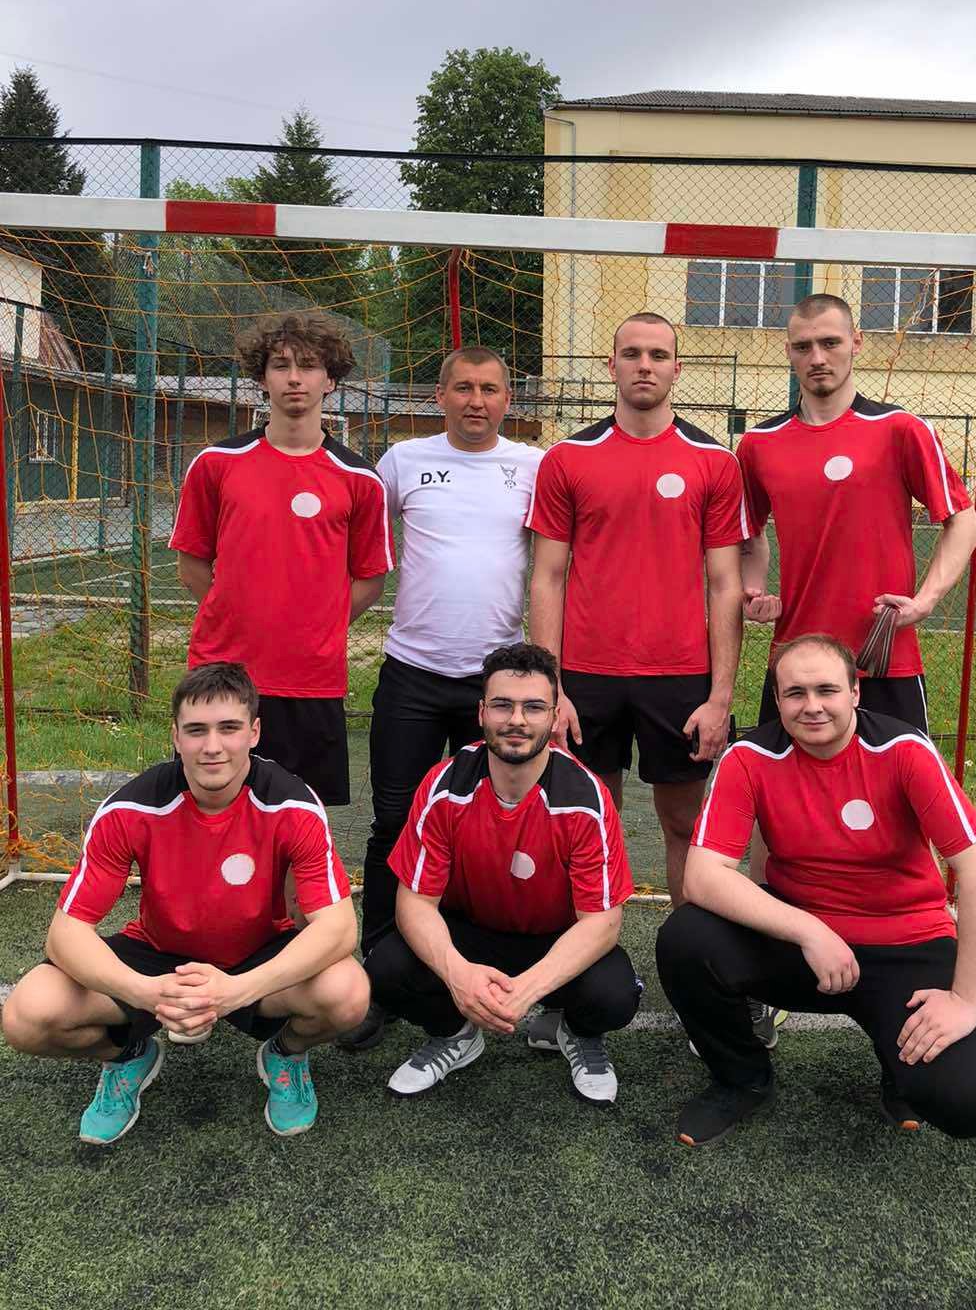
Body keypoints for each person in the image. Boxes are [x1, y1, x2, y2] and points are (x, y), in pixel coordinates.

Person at [656, 635, 976, 1148]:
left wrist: (964, 1000)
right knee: (686, 938)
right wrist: (809, 930)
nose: (812, 706)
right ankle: (741, 1079)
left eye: (826, 690)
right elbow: (703, 876)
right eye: (795, 693)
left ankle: (898, 1066)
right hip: (804, 947)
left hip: (907, 944)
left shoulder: (905, 750)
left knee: (969, 1101)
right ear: (777, 700)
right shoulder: (749, 757)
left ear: (855, 693)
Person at [0, 663, 369, 1144]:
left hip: (257, 955)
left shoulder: (293, 805)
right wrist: (146, 992)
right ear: (175, 736)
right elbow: (65, 934)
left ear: (254, 732)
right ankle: (127, 1057)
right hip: (159, 956)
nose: (212, 746)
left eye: (229, 728)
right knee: (27, 1016)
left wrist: (235, 990)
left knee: (348, 993)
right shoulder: (130, 808)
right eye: (196, 730)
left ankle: (286, 1053)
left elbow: (339, 929)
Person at [339, 344, 541, 1052]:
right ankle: (380, 975)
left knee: (487, 827)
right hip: (413, 674)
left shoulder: (532, 466)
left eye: (489, 389)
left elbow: (556, 564)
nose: (475, 401)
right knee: (394, 822)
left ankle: (473, 956)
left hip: (497, 685)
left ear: (508, 398)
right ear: (439, 395)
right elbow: (354, 529)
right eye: (462, 388)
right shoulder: (402, 461)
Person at [527, 312, 746, 906]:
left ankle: (688, 955)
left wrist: (720, 698)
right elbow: (547, 577)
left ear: (677, 368)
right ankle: (589, 952)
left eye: (657, 355)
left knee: (687, 827)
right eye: (631, 354)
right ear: (611, 366)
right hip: (586, 677)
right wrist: (552, 688)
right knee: (586, 824)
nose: (644, 366)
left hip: (679, 677)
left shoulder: (714, 461)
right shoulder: (567, 458)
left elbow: (726, 585)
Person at [365, 643, 641, 1105]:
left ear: (554, 717)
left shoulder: (586, 798)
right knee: (386, 966)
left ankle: (574, 1031)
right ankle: (455, 1034)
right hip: (471, 934)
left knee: (613, 994)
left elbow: (602, 923)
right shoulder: (443, 786)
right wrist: (458, 975)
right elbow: (413, 903)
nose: (516, 720)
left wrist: (527, 990)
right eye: (502, 705)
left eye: (533, 707)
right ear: (481, 713)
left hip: (553, 938)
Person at [170, 310, 393, 806]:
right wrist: (232, 610)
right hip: (224, 672)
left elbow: (370, 580)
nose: (295, 378)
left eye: (309, 366)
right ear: (262, 377)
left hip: (310, 680)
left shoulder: (360, 479)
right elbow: (191, 565)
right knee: (212, 811)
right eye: (281, 365)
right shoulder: (216, 464)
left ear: (330, 380)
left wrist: (316, 624)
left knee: (301, 818)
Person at [738, 293, 976, 736]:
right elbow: (749, 536)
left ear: (857, 342)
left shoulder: (900, 430)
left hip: (883, 656)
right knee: (785, 782)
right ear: (788, 351)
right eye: (803, 347)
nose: (817, 358)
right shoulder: (759, 444)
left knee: (900, 781)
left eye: (830, 343)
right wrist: (753, 590)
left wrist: (925, 601)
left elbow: (963, 519)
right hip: (797, 661)